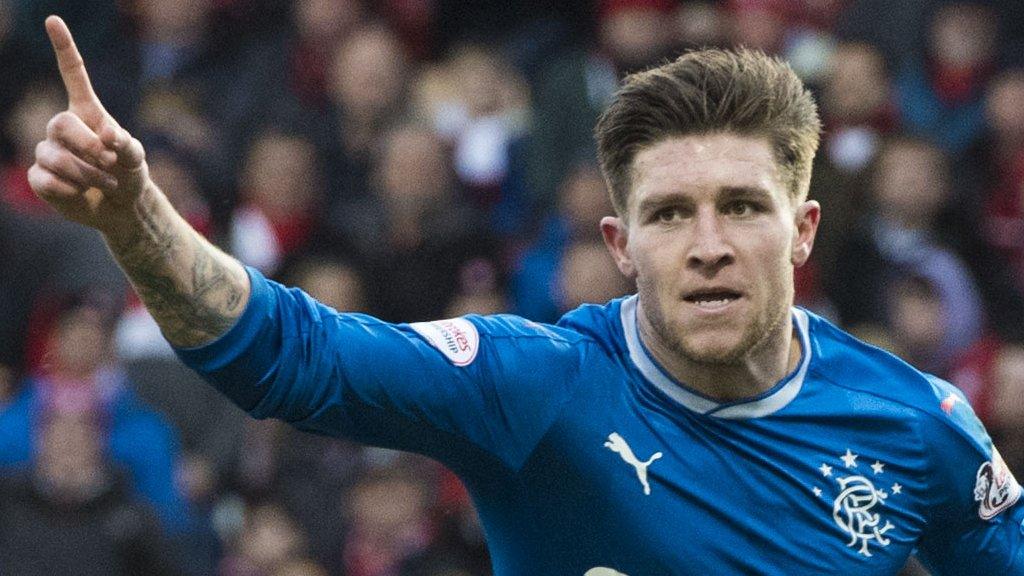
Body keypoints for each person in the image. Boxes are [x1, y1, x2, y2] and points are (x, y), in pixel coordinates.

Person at [29, 15, 1023, 575]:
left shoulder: (916, 424)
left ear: (802, 229)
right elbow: (287, 355)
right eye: (671, 215)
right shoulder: (533, 383)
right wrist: (134, 216)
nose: (709, 246)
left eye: (742, 208)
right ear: (618, 245)